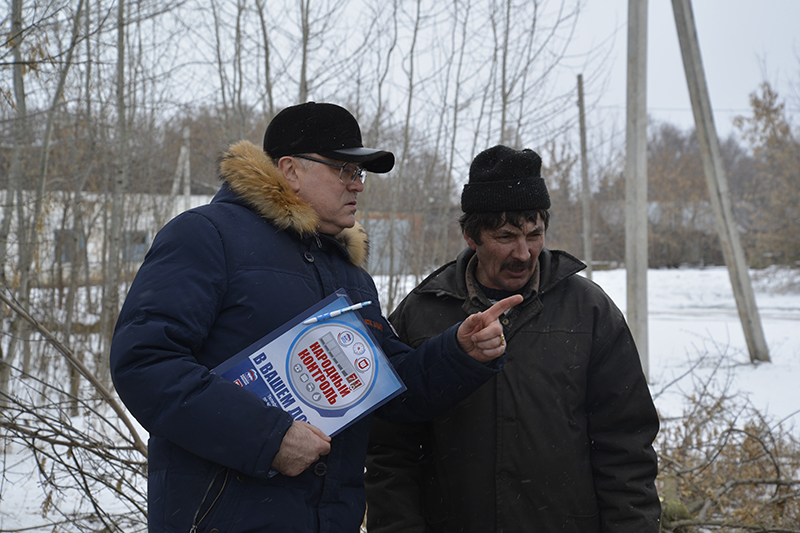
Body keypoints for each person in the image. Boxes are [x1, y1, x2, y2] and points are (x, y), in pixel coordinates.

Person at [109, 103, 521, 533]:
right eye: (345, 170)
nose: (358, 186)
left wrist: (460, 352)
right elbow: (145, 363)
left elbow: (389, 385)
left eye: (360, 174)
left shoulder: (350, 275)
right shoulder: (207, 235)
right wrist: (268, 439)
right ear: (290, 170)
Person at [366, 145, 661, 532]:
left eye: (534, 234)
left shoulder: (589, 311)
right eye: (506, 236)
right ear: (472, 237)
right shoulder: (422, 312)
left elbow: (626, 446)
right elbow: (390, 451)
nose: (524, 253)